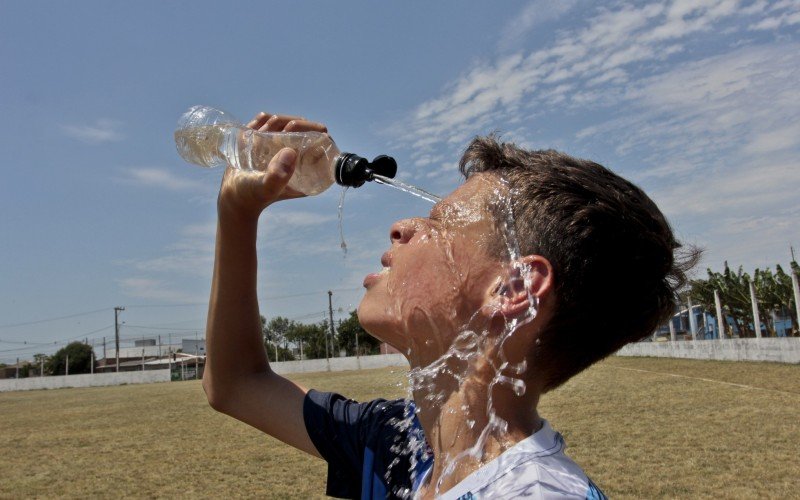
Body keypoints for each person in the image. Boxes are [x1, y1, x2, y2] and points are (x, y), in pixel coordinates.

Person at [202, 111, 694, 499]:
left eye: (440, 223)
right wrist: (237, 212)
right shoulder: (402, 445)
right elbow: (236, 384)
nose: (403, 226)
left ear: (513, 289)